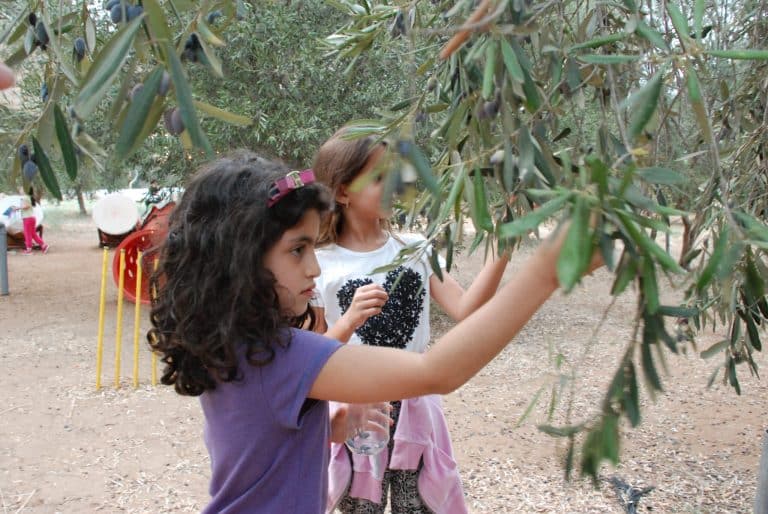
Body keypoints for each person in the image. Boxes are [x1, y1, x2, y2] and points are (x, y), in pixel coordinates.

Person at [147, 150, 599, 514]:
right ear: (239, 262)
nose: (314, 265)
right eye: (297, 250)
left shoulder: (238, 349)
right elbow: (438, 371)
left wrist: (324, 423)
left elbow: (260, 440)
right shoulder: (283, 355)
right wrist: (545, 273)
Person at [311, 129, 510, 514]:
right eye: (379, 177)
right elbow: (313, 355)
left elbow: (466, 308)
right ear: (341, 192)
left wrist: (504, 246)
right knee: (359, 508)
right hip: (359, 409)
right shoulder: (321, 265)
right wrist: (351, 319)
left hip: (417, 407)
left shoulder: (415, 249)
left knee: (418, 507)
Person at [15, 187, 49, 255]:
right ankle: (44, 245)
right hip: (31, 218)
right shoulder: (28, 197)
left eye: (21, 189)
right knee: (33, 234)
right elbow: (27, 206)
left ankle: (29, 249)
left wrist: (18, 208)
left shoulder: (25, 197)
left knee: (27, 234)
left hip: (27, 219)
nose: (20, 190)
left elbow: (27, 206)